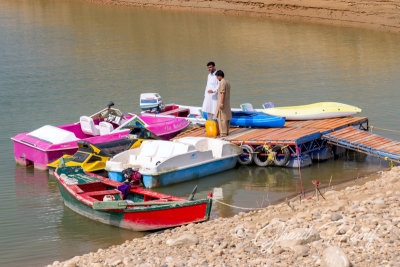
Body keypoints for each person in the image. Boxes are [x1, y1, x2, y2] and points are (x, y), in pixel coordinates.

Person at [214, 70, 232, 137]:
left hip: (223, 102)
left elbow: (222, 93)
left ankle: (223, 133)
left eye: (217, 76)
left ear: (219, 76)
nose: (216, 78)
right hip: (227, 102)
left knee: (222, 118)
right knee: (226, 117)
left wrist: (221, 103)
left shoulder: (222, 82)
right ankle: (226, 131)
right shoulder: (227, 82)